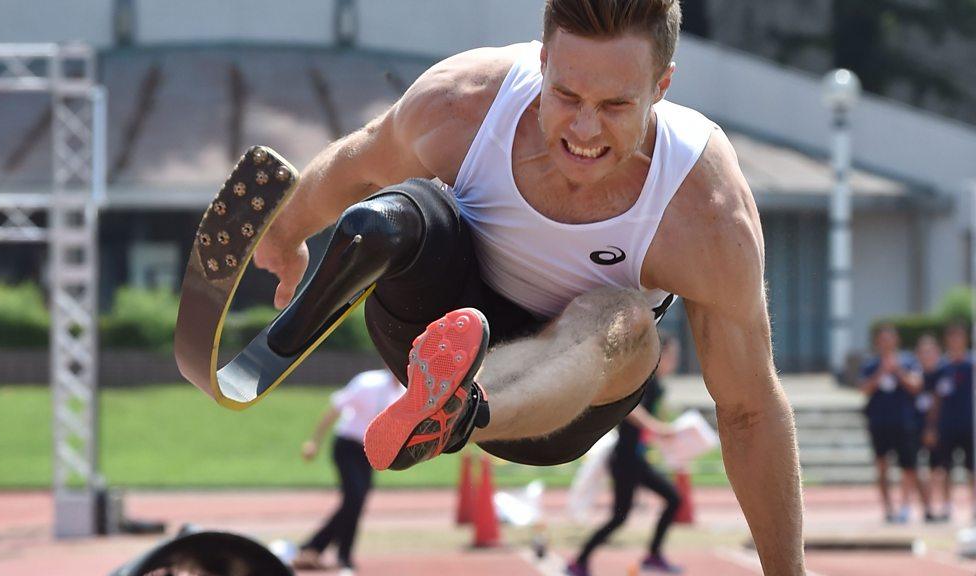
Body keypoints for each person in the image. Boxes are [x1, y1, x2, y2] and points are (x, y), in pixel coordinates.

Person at [254, 1, 804, 571]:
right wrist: (287, 233)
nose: (585, 130)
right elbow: (361, 158)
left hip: (557, 405)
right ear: (543, 61)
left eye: (616, 105)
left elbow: (749, 408)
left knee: (625, 317)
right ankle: (321, 311)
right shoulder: (465, 101)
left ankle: (459, 408)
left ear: (661, 85)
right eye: (566, 96)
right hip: (428, 332)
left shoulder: (703, 209)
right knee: (407, 209)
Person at [567, 335, 684, 575]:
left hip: (633, 459)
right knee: (622, 517)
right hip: (625, 459)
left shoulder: (658, 386)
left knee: (669, 501)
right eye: (672, 356)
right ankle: (579, 562)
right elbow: (630, 410)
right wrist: (657, 428)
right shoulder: (645, 379)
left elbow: (645, 426)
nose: (675, 361)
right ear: (661, 355)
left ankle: (651, 555)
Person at [292, 369, 403, 574]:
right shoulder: (368, 382)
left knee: (356, 502)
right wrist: (314, 441)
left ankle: (314, 547)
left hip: (369, 453)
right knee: (354, 498)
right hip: (347, 446)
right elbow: (335, 408)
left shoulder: (403, 392)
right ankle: (342, 556)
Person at [859, 324, 926, 523]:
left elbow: (916, 386)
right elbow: (863, 389)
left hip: (904, 422)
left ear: (896, 340)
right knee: (881, 466)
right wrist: (881, 372)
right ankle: (888, 508)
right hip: (879, 422)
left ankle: (905, 507)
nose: (886, 342)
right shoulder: (871, 364)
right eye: (883, 339)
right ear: (878, 342)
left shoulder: (908, 361)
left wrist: (897, 370)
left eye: (890, 338)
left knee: (908, 466)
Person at [925, 323, 975, 521]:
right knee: (945, 469)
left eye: (959, 337)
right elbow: (934, 400)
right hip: (947, 424)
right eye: (952, 337)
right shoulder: (941, 368)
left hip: (970, 424)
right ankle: (947, 505)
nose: (956, 341)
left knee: (973, 468)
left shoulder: (972, 365)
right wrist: (931, 426)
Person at [915, 333, 945, 521]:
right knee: (916, 469)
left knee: (937, 470)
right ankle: (925, 507)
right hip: (914, 428)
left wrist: (931, 428)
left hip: (937, 428)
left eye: (930, 352)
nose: (927, 356)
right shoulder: (914, 374)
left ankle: (937, 506)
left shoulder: (942, 373)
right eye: (923, 352)